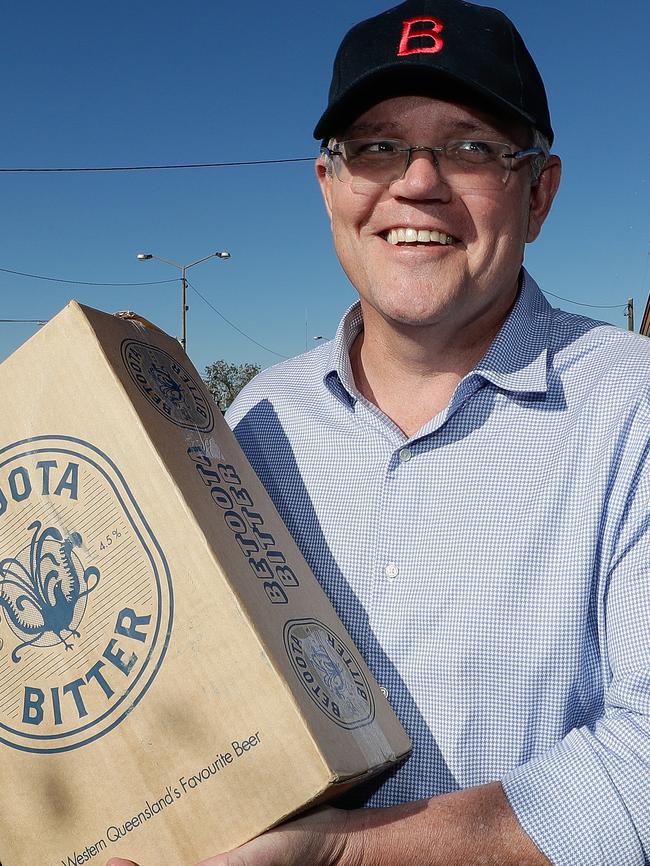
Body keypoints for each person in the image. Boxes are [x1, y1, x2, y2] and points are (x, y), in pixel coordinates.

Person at [110, 1, 650, 864]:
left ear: (539, 191)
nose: (417, 182)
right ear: (330, 186)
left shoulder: (632, 410)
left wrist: (344, 853)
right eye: (375, 146)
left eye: (472, 146)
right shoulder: (257, 421)